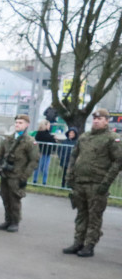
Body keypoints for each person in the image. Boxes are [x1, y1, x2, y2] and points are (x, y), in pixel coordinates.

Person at [62, 108, 122, 258]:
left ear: (107, 121)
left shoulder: (111, 138)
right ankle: (78, 242)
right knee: (81, 214)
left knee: (94, 216)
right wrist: (70, 177)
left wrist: (106, 182)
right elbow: (74, 156)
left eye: (100, 119)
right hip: (80, 182)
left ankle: (89, 245)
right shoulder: (85, 137)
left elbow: (118, 161)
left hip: (97, 184)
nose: (96, 121)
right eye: (94, 118)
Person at [0, 114, 39, 232]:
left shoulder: (29, 142)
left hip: (17, 175)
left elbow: (33, 161)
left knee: (14, 200)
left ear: (27, 125)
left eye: (21, 123)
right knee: (5, 197)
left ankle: (14, 222)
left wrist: (24, 177)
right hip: (5, 174)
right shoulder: (9, 139)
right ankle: (7, 220)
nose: (18, 125)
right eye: (17, 122)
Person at [34, 119, 55, 185]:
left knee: (45, 168)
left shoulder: (47, 133)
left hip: (47, 153)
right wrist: (52, 138)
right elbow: (49, 138)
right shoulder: (40, 133)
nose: (49, 126)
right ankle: (35, 180)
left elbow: (52, 141)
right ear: (45, 125)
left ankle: (44, 181)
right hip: (40, 153)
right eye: (48, 125)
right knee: (39, 167)